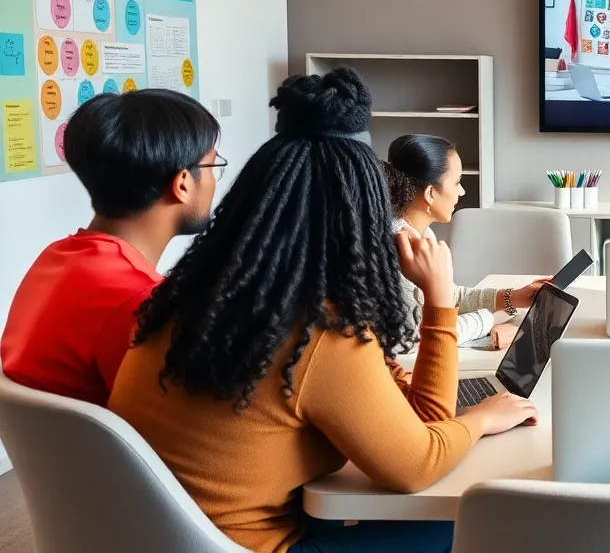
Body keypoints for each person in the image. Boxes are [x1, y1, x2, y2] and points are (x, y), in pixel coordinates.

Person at [109, 69, 537, 553]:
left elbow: (400, 415)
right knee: (472, 515)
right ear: (362, 213)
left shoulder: (201, 296)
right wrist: (479, 412)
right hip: (253, 546)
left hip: (169, 537)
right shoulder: (321, 331)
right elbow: (418, 467)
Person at [1, 90, 220, 405]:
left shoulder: (55, 258)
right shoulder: (141, 305)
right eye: (213, 167)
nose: (215, 183)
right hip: (110, 453)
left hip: (60, 453)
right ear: (183, 183)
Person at [383, 133, 547, 349]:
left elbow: (449, 296)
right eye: (457, 182)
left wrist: (511, 297)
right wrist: (489, 321)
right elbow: (411, 338)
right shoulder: (397, 247)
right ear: (431, 193)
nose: (462, 191)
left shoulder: (421, 233)